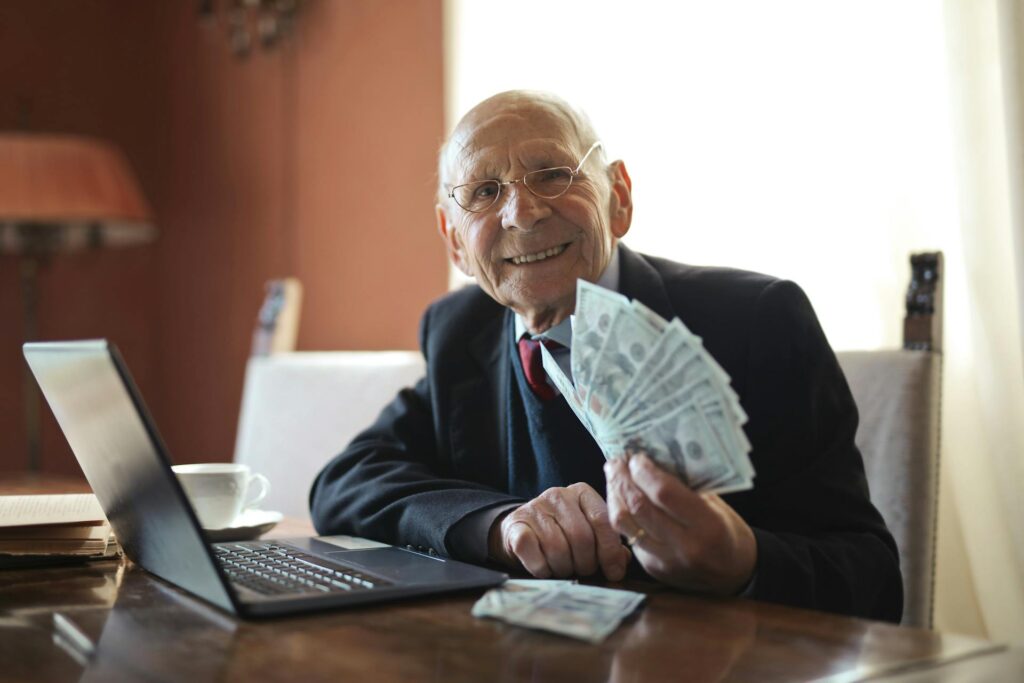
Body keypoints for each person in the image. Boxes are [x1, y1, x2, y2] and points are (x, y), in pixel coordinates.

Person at [310, 90, 903, 622]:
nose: (523, 211)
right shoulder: (460, 330)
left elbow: (872, 580)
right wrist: (500, 524)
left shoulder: (758, 320)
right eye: (485, 192)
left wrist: (740, 559)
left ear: (618, 197)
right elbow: (345, 482)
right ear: (454, 241)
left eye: (551, 174)